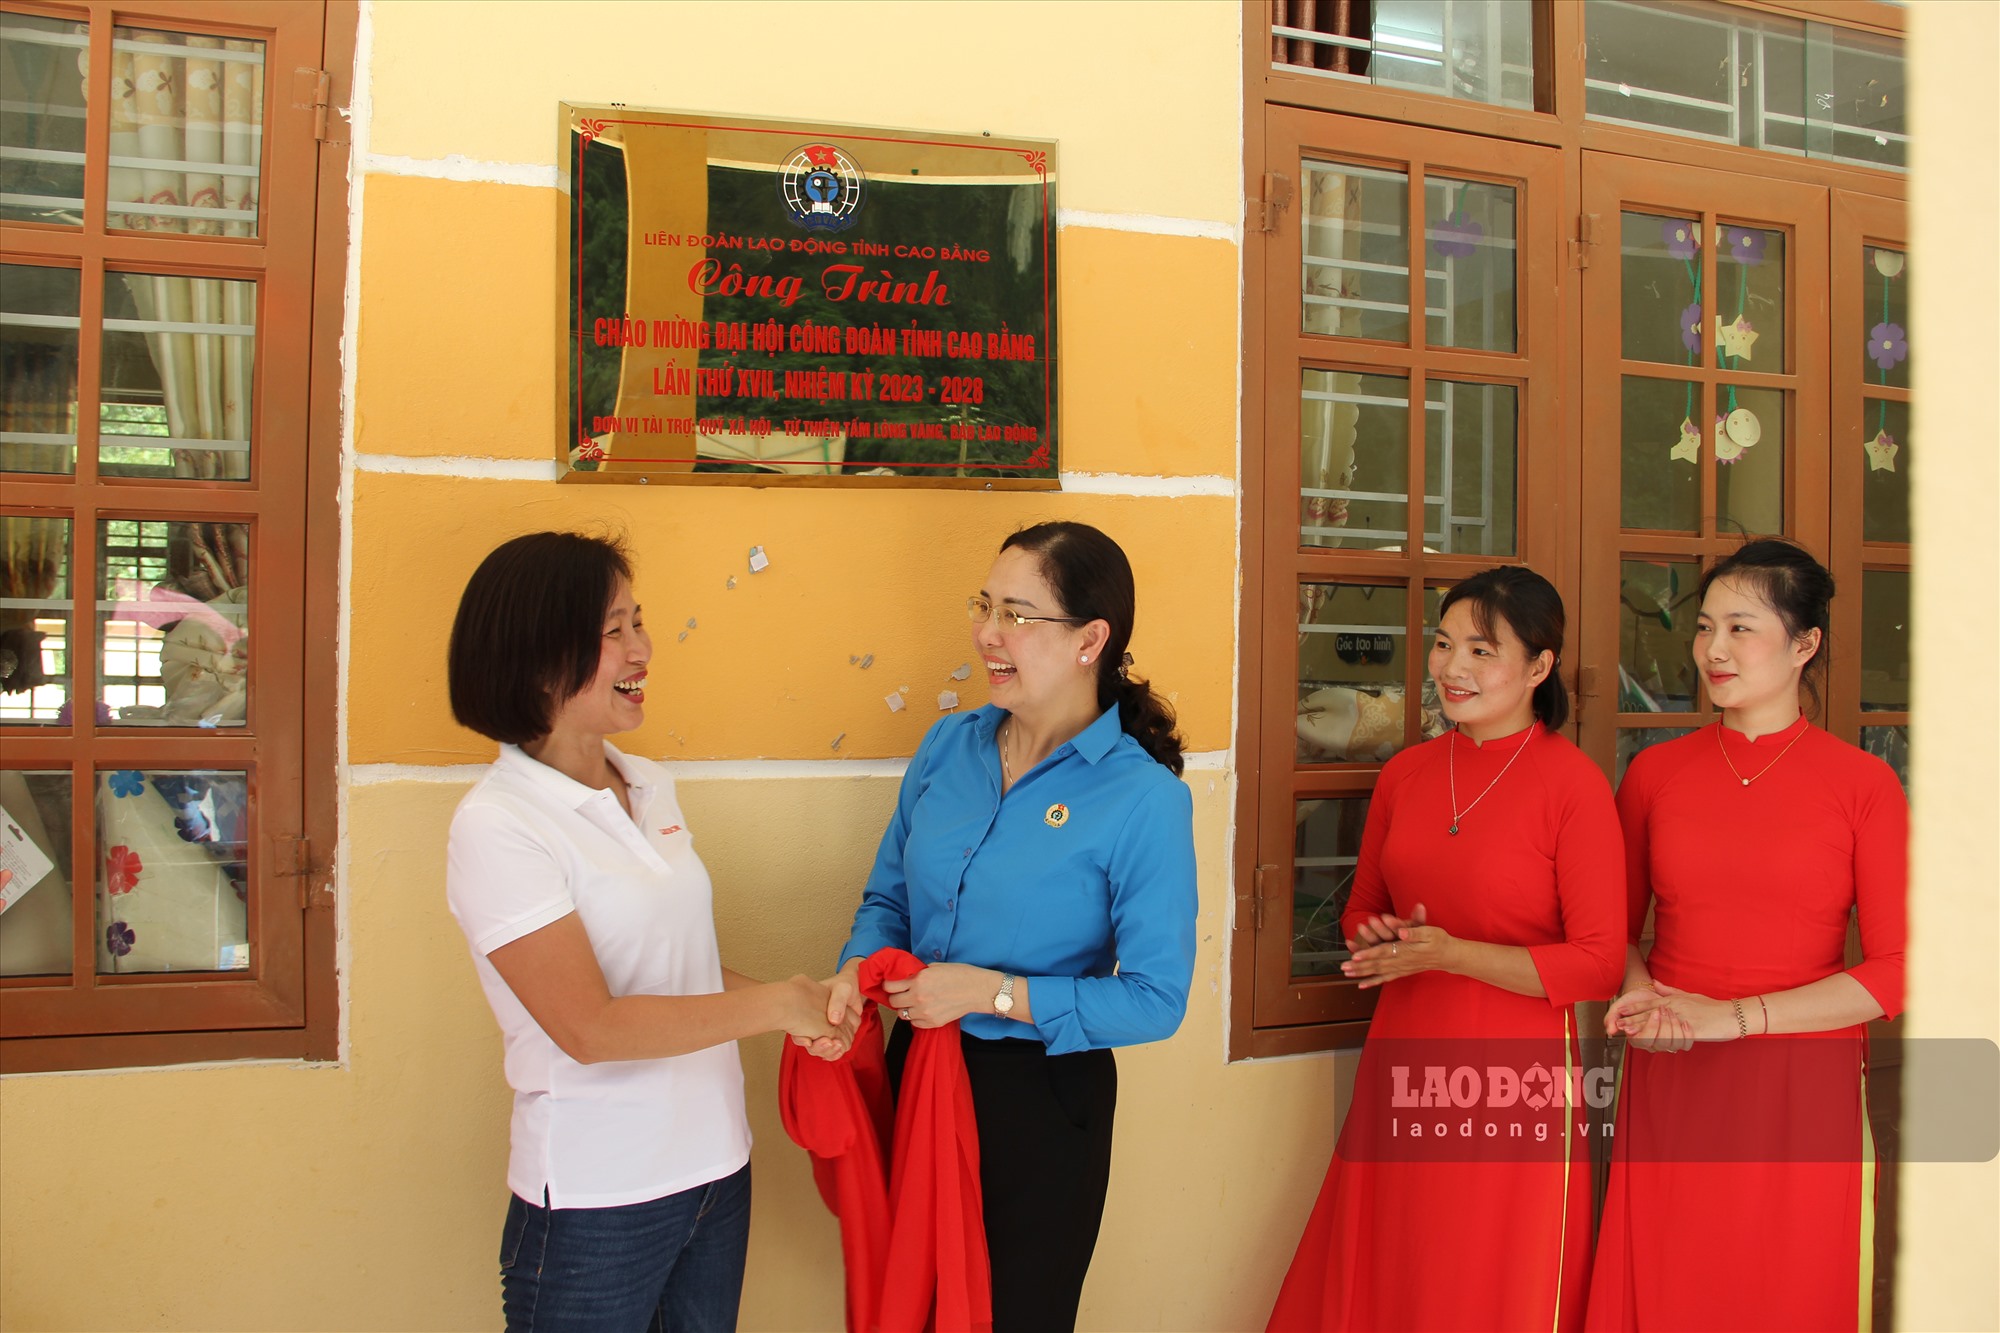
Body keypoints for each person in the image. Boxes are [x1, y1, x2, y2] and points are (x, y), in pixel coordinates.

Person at [444, 531, 852, 1333]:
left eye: (641, 621)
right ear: (538, 658)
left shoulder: (648, 784)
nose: (645, 649)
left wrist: (806, 1005)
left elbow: (679, 971)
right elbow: (590, 1028)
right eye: (615, 630)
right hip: (597, 1203)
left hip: (714, 1173)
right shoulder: (498, 823)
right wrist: (778, 1006)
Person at [824, 520, 1197, 1333]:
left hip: (1038, 1104)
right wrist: (853, 980)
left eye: (1018, 615)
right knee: (907, 1305)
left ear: (1090, 639)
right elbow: (886, 899)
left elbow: (1156, 998)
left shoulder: (1143, 799)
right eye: (985, 605)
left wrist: (991, 993)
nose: (988, 633)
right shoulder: (946, 747)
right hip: (917, 1067)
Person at [1268, 566, 1625, 1333]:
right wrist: (1378, 940)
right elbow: (1364, 909)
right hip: (1406, 1043)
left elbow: (1598, 959)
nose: (1452, 667)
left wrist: (1451, 954)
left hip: (1518, 1070)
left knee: (1486, 1270)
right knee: (1399, 1250)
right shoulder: (1407, 773)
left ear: (1539, 665)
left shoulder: (1574, 786)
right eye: (1442, 643)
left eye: (1481, 649)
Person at [1587, 539, 1906, 1333]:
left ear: (1805, 644)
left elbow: (1899, 971)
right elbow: (1611, 933)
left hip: (1803, 1077)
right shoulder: (1656, 775)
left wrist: (1732, 1018)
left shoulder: (1863, 785)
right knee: (1667, 1278)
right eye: (1704, 627)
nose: (1714, 650)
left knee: (1785, 1284)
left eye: (1741, 628)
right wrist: (1646, 999)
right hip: (1673, 1069)